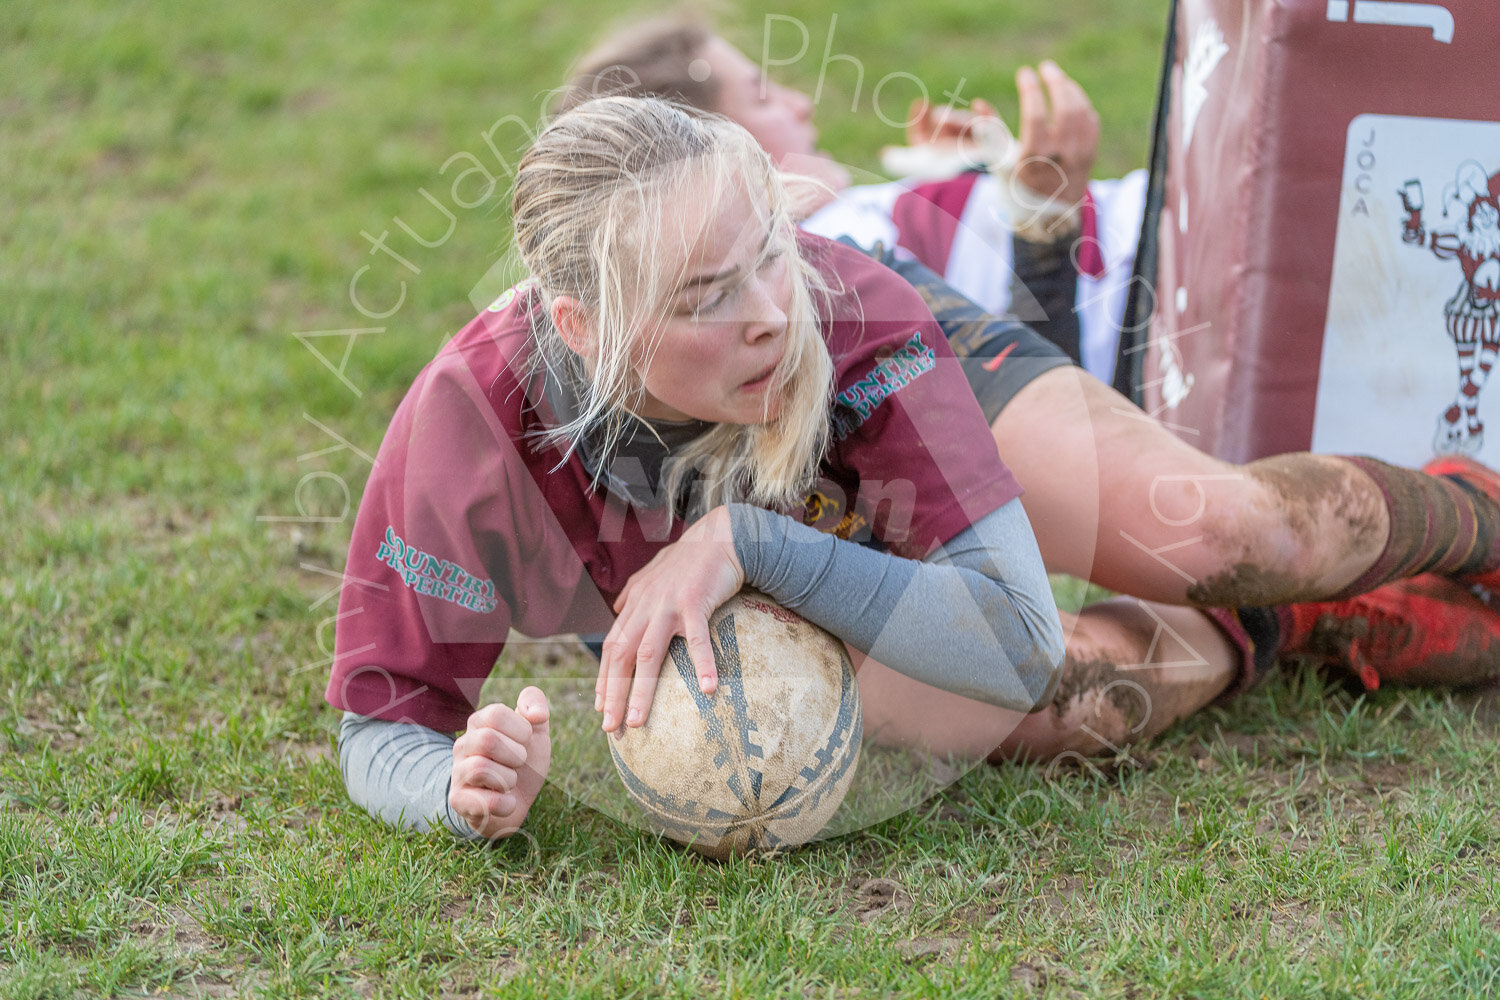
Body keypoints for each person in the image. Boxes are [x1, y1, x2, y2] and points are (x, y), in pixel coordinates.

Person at [545, 18, 1500, 764]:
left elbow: (1007, 417)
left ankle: (1476, 511)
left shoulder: (856, 246)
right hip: (1077, 371)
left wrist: (1044, 226)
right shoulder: (579, 406)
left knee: (1224, 536)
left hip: (1039, 376)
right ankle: (1288, 619)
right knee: (1050, 711)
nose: (796, 100)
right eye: (762, 91)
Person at [330, 96, 1070, 840]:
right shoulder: (475, 410)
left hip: (937, 346)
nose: (769, 318)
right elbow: (383, 721)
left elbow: (1024, 646)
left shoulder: (851, 319)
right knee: (1088, 706)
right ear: (582, 328)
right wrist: (458, 790)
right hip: (807, 584)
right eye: (706, 297)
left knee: (1183, 550)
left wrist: (752, 542)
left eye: (768, 255)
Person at [556, 16, 1146, 382]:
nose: (801, 104)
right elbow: (1044, 402)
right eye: (762, 99)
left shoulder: (827, 228)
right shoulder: (816, 269)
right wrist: (1046, 226)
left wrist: (961, 175)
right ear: (709, 160)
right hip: (1160, 307)